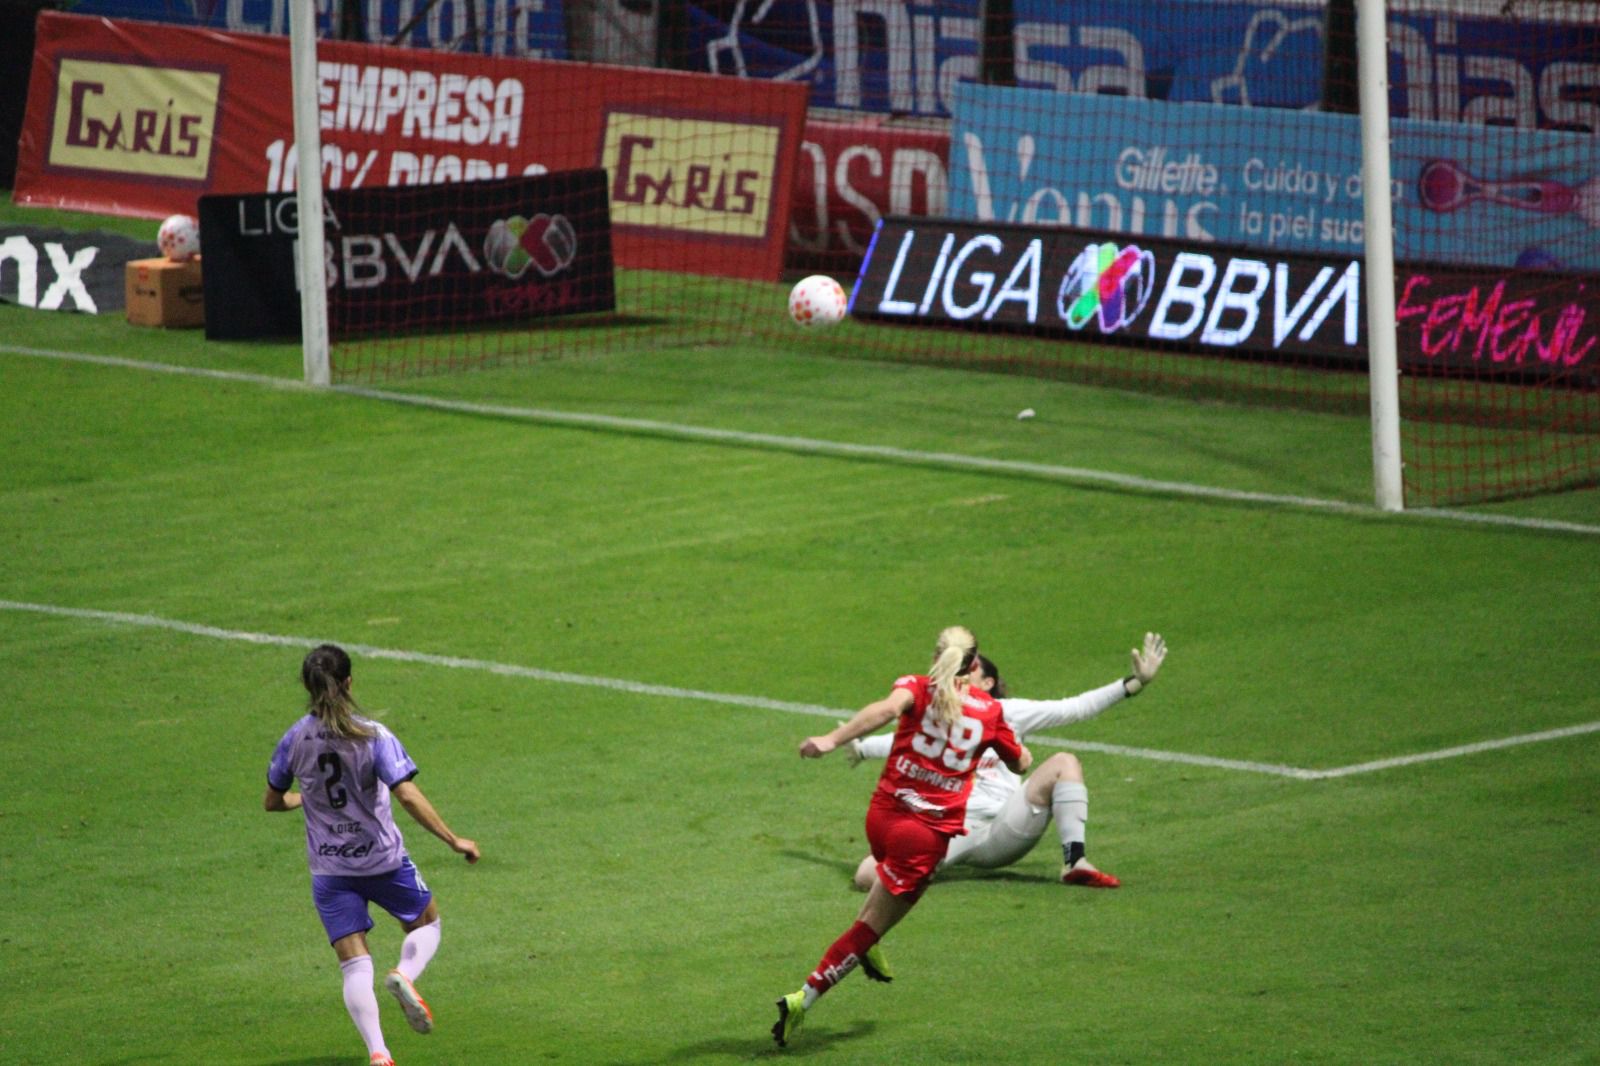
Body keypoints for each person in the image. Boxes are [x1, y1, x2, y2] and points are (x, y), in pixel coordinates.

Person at [772, 625, 1030, 1047]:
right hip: (923, 838)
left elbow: (882, 711)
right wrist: (1020, 751)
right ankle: (805, 996)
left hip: (881, 819)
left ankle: (867, 943)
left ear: (937, 655)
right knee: (874, 925)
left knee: (883, 888)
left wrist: (832, 738)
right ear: (975, 664)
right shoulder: (988, 711)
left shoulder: (916, 687)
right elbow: (1019, 764)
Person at [264, 644, 480, 1066]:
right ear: (348, 683)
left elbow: (272, 801)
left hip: (329, 868)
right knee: (427, 922)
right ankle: (403, 974)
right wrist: (453, 839)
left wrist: (304, 798)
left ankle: (379, 1053)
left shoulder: (294, 739)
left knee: (353, 962)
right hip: (382, 860)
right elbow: (407, 793)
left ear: (307, 688)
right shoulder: (373, 735)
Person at [846, 633, 1168, 890]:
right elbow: (898, 743)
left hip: (1007, 825)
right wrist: (860, 747)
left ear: (987, 683)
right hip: (953, 829)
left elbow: (1075, 707)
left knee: (1064, 763)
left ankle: (1075, 862)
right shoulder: (941, 711)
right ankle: (923, 873)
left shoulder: (1007, 712)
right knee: (866, 875)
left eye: (970, 668)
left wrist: (1135, 683)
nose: (960, 670)